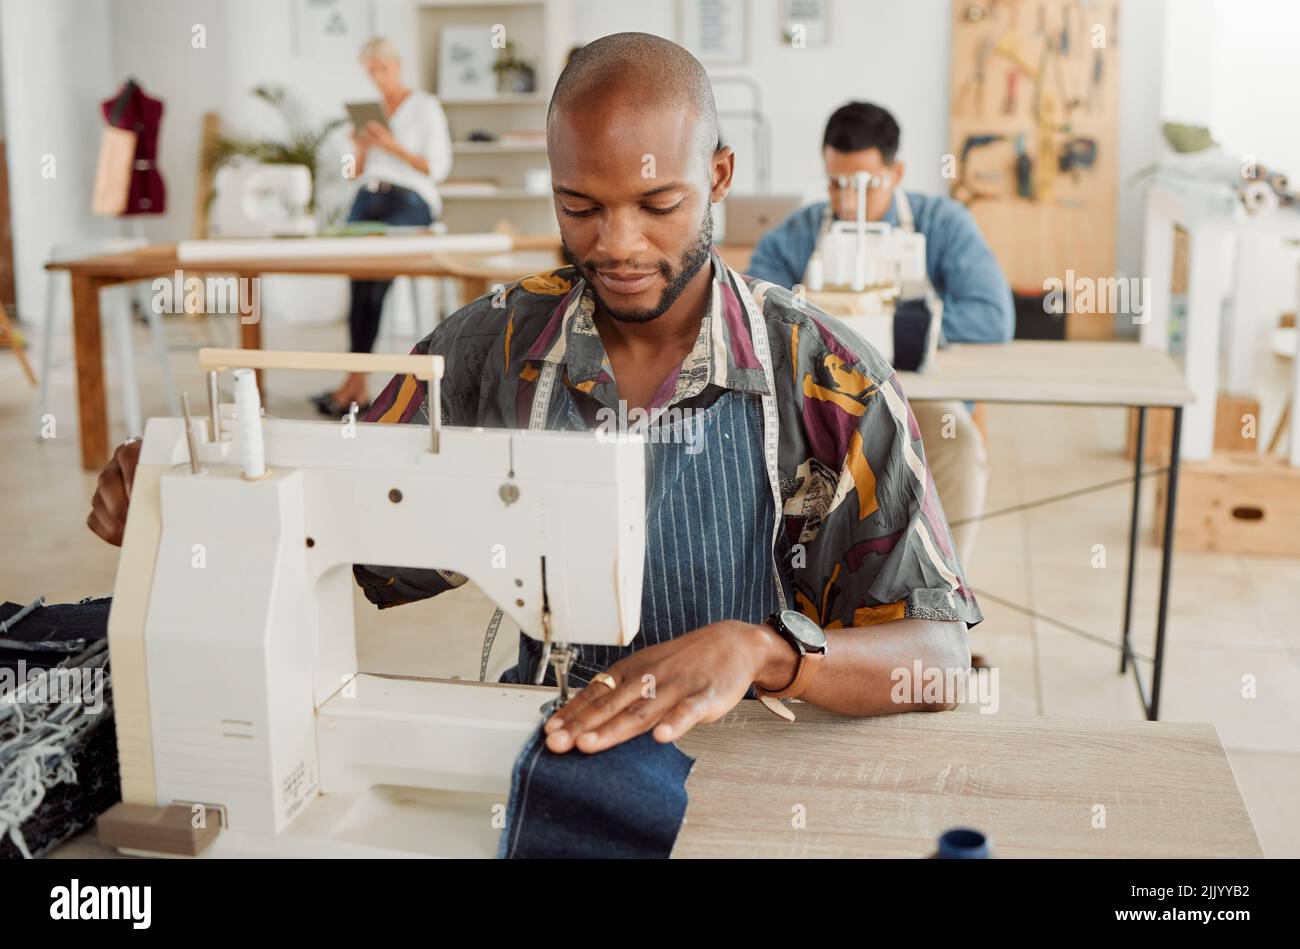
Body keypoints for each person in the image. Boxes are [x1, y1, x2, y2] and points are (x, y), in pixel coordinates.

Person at [90, 34, 978, 757]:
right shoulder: (496, 346)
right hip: (559, 742)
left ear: (717, 175)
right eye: (579, 205)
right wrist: (196, 493)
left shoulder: (824, 375)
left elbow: (939, 662)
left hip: (759, 758)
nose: (619, 244)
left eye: (657, 202)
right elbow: (344, 525)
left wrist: (764, 653)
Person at [749, 102, 1014, 567]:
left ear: (896, 173)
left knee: (958, 445)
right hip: (825, 404)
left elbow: (991, 316)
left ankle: (942, 598)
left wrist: (904, 330)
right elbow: (752, 315)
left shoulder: (942, 225)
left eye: (866, 185)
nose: (849, 202)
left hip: (922, 404)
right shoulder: (797, 234)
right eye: (836, 184)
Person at [313, 36, 453, 418]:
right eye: (370, 71)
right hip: (367, 197)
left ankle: (356, 384)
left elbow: (437, 168)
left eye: (382, 69)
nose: (377, 77)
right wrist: (360, 147)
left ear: (398, 65)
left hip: (408, 199)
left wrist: (391, 146)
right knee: (358, 282)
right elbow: (351, 174)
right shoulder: (367, 112)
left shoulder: (425, 107)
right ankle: (355, 383)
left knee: (373, 281)